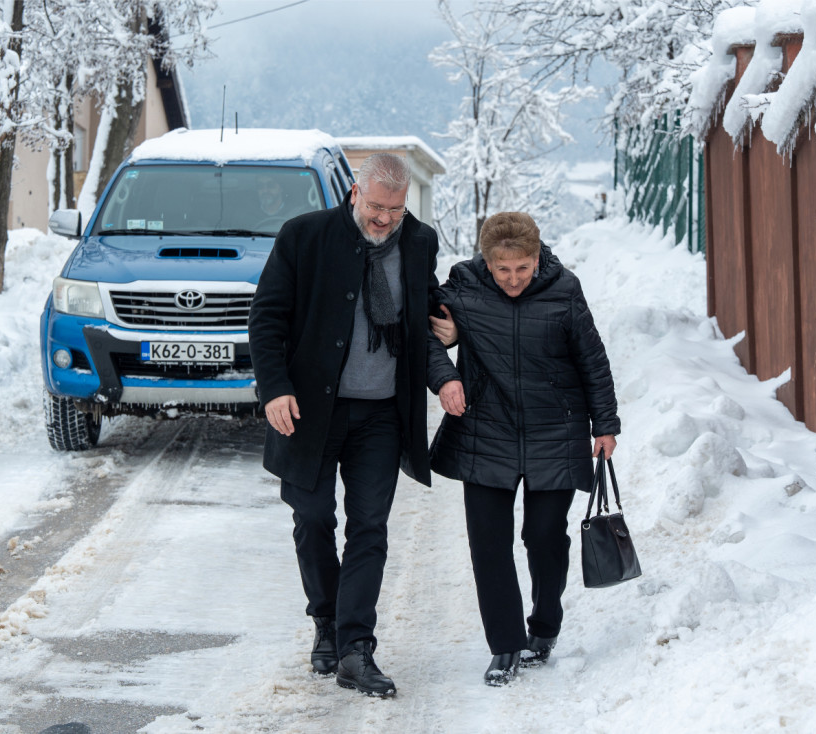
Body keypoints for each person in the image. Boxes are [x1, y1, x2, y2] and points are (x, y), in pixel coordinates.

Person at [248, 153, 441, 697]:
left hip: (381, 413)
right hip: (311, 410)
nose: (384, 220)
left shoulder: (418, 242)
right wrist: (276, 388)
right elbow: (265, 317)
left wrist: (444, 334)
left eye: (395, 211)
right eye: (377, 207)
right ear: (355, 192)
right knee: (312, 518)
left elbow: (426, 313)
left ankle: (356, 647)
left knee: (370, 527)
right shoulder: (304, 236)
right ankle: (326, 621)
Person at [426, 211, 620, 686]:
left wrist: (606, 425)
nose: (513, 279)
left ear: (537, 258)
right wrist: (446, 375)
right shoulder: (463, 289)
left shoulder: (564, 291)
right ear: (487, 263)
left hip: (555, 430)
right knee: (489, 543)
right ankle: (506, 645)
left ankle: (545, 626)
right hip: (486, 432)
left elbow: (592, 361)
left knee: (544, 537)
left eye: (522, 268)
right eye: (502, 270)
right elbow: (423, 337)